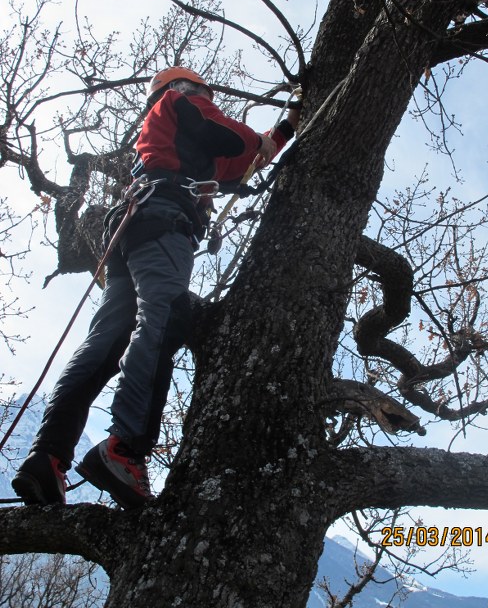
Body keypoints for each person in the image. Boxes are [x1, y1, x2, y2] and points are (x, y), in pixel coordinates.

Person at [12, 66, 300, 510]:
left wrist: (287, 124)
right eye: (202, 93)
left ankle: (47, 457)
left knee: (106, 340)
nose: (206, 100)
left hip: (136, 226)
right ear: (184, 88)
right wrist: (254, 139)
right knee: (164, 317)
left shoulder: (178, 144)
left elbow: (247, 160)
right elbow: (232, 138)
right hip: (163, 220)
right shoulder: (179, 103)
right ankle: (125, 448)